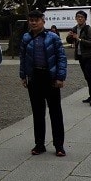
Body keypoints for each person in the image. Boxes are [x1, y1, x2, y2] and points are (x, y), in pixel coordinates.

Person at [19, 9, 67, 157]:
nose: (33, 22)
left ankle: (59, 145)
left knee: (55, 112)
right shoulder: (26, 38)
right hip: (34, 77)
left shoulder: (53, 37)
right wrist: (23, 76)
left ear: (43, 21)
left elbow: (61, 58)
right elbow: (23, 58)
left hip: (50, 77)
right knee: (37, 113)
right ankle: (39, 144)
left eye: (36, 20)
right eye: (31, 20)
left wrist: (60, 77)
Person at [66, 9, 91, 106]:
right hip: (80, 56)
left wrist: (79, 39)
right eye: (78, 17)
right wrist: (70, 36)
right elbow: (70, 41)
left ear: (85, 19)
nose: (80, 19)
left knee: (90, 76)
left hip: (89, 55)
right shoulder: (75, 28)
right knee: (86, 76)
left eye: (82, 17)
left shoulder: (90, 30)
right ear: (76, 18)